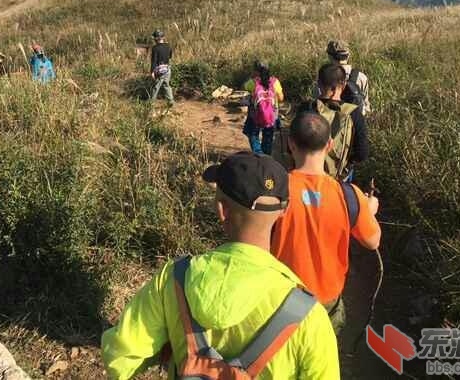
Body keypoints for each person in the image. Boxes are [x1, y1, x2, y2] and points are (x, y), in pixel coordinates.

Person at [102, 152, 340, 379]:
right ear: (284, 211)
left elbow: (120, 359)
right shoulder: (309, 315)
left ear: (221, 209)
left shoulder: (174, 279)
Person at [271, 111, 381, 334]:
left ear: (290, 144)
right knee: (322, 365)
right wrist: (370, 210)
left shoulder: (275, 191)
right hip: (326, 305)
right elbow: (373, 241)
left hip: (281, 301)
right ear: (330, 145)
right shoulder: (350, 195)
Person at [300, 63, 369, 179]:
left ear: (319, 84)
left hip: (308, 174)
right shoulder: (354, 113)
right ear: (344, 85)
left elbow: (293, 144)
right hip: (339, 177)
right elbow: (362, 153)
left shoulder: (306, 108)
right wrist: (346, 163)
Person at [242, 62, 284, 156]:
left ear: (256, 71)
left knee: (253, 134)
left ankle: (258, 154)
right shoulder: (275, 82)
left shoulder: (252, 82)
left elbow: (245, 86)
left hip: (255, 116)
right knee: (268, 137)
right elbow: (281, 98)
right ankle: (266, 156)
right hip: (271, 116)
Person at [320, 40, 371, 116]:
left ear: (330, 56)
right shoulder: (362, 77)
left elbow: (318, 104)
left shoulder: (325, 76)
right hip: (356, 123)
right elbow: (366, 107)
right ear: (348, 56)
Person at [149, 30, 174, 106]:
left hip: (159, 70)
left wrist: (152, 72)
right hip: (167, 69)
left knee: (155, 87)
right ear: (163, 37)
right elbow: (170, 56)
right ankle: (170, 102)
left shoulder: (155, 48)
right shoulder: (168, 46)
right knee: (167, 86)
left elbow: (154, 61)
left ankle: (151, 104)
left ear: (156, 39)